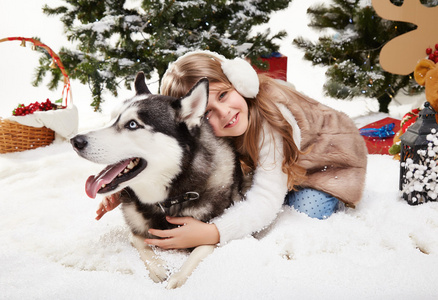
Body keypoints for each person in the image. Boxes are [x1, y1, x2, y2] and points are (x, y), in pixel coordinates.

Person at [96, 51, 368, 250]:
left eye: (224, 95)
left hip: (326, 163)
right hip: (279, 165)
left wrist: (214, 233)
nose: (225, 113)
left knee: (300, 212)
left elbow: (263, 201)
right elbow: (168, 159)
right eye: (208, 112)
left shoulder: (270, 125)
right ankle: (278, 183)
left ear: (240, 83)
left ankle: (293, 189)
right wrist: (124, 187)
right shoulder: (207, 127)